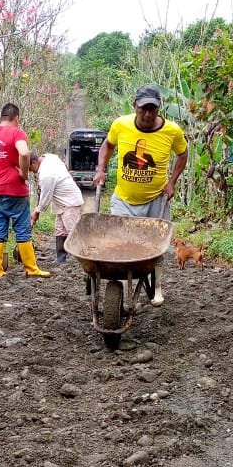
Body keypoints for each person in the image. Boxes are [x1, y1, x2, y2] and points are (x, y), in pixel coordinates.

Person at [93, 85, 188, 305]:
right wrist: (100, 169)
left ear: (159, 108)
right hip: (124, 199)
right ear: (134, 105)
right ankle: (122, 285)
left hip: (156, 199)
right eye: (143, 108)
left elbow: (183, 153)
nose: (147, 114)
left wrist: (172, 182)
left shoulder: (171, 131)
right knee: (122, 245)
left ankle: (157, 287)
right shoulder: (121, 125)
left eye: (152, 109)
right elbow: (108, 145)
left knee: (156, 246)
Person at [0, 102, 50, 278]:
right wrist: (23, 173)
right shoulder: (17, 132)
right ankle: (31, 269)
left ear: (1, 117)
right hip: (16, 190)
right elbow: (24, 153)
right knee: (22, 228)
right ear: (16, 118)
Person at [29, 152, 84, 263]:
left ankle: (84, 257)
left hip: (69, 201)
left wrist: (36, 213)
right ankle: (61, 258)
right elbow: (49, 156)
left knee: (72, 230)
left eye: (29, 168)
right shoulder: (48, 158)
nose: (30, 171)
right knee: (60, 230)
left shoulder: (47, 174)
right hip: (61, 202)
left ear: (34, 162)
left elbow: (45, 198)